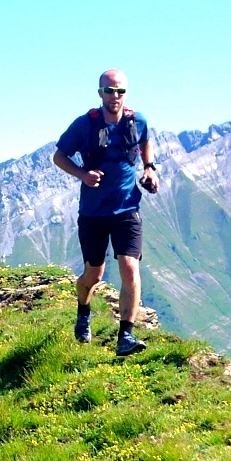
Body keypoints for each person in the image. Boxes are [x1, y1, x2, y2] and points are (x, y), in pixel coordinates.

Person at [52, 69, 157, 354]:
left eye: (120, 91)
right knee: (93, 276)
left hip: (127, 208)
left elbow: (146, 140)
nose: (115, 96)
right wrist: (82, 175)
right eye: (109, 91)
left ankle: (126, 336)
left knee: (129, 266)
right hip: (93, 213)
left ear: (126, 92)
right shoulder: (85, 124)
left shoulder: (138, 121)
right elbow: (59, 156)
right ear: (99, 92)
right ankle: (83, 311)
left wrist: (149, 169)